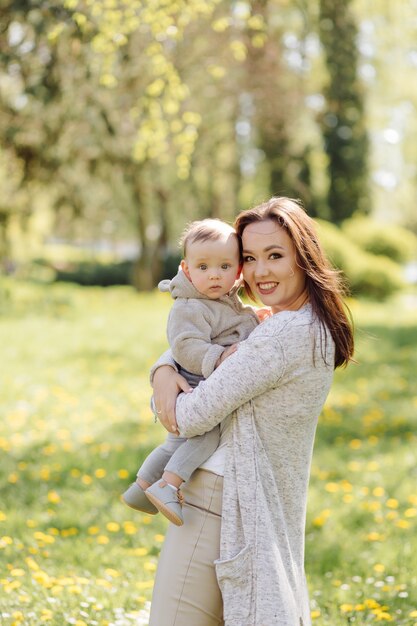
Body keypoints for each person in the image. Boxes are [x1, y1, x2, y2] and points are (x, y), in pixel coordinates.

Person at [146, 197, 354, 626]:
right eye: (249, 258)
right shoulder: (292, 325)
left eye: (275, 256)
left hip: (216, 502)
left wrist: (164, 376)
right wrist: (165, 366)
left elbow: (188, 415)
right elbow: (215, 355)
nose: (259, 272)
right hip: (234, 498)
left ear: (304, 259)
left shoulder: (282, 335)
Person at [122, 218, 260, 525]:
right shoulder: (189, 305)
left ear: (237, 270)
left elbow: (232, 323)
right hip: (196, 385)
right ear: (186, 269)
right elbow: (185, 346)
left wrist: (253, 318)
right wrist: (219, 355)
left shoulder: (221, 300)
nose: (214, 275)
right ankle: (168, 485)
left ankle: (140, 487)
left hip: (196, 383)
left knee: (174, 444)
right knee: (206, 436)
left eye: (224, 267)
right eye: (204, 267)